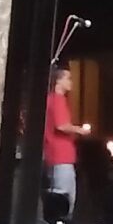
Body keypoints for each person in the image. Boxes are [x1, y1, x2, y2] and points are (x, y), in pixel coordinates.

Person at [45, 66, 90, 215]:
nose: (71, 82)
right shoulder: (58, 100)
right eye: (68, 78)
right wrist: (80, 130)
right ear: (58, 81)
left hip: (54, 155)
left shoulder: (51, 99)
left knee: (59, 196)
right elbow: (61, 125)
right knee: (64, 197)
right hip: (61, 156)